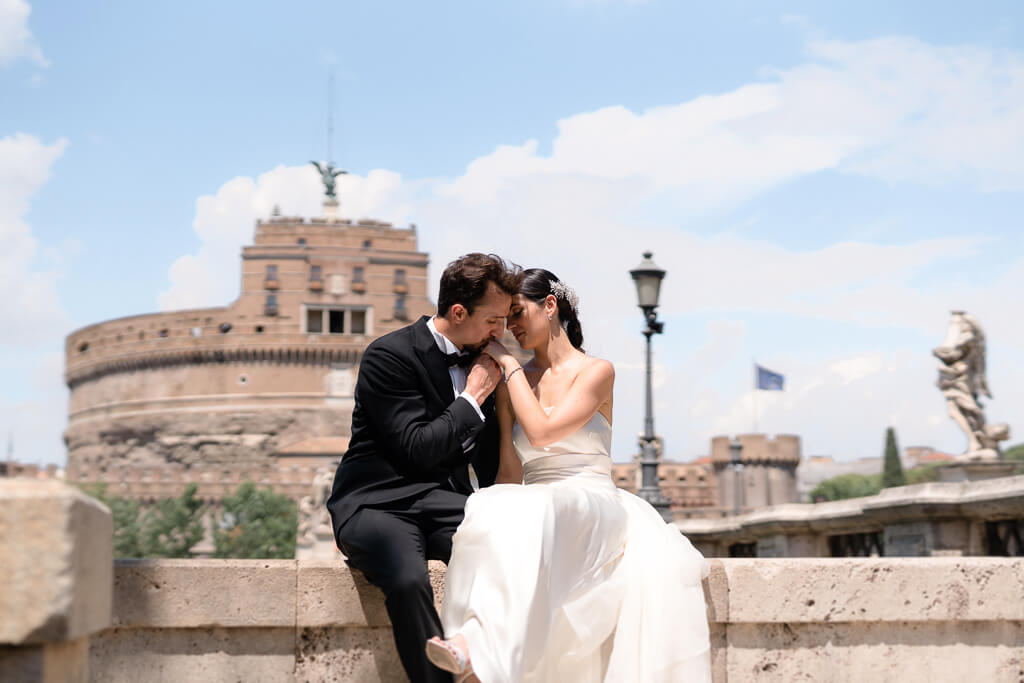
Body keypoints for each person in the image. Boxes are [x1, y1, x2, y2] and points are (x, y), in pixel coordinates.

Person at [425, 269, 711, 683]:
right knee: (486, 505)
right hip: (542, 502)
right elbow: (509, 470)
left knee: (544, 505)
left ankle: (483, 651)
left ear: (551, 305)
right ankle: (473, 645)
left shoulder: (596, 372)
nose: (511, 328)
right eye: (506, 319)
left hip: (592, 498)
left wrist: (506, 363)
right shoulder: (515, 384)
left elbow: (541, 434)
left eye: (519, 313)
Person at [327, 253, 522, 683]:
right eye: (493, 320)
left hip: (444, 502)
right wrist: (472, 398)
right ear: (458, 312)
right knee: (407, 579)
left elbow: (488, 464)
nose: (501, 332)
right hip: (377, 502)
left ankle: (487, 659)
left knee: (515, 552)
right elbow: (416, 449)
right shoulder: (389, 355)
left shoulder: (484, 363)